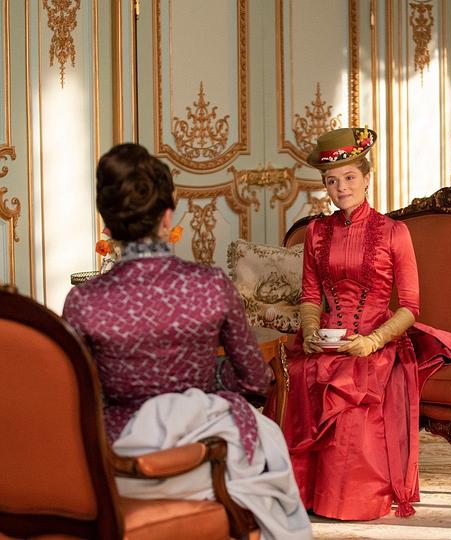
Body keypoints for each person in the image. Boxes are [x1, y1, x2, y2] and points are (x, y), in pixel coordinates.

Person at [62, 143, 313, 540]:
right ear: (167, 217)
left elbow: (75, 398)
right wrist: (209, 377)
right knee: (262, 442)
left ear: (107, 222)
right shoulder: (211, 284)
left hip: (119, 470)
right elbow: (255, 382)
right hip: (202, 462)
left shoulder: (83, 300)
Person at [273, 127, 451, 521]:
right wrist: (311, 331)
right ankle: (303, 496)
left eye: (350, 177)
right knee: (298, 373)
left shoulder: (394, 232)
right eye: (332, 181)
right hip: (327, 340)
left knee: (351, 384)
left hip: (377, 341)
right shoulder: (316, 231)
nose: (342, 188)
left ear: (367, 178)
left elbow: (411, 307)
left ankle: (347, 500)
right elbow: (310, 295)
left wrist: (372, 341)